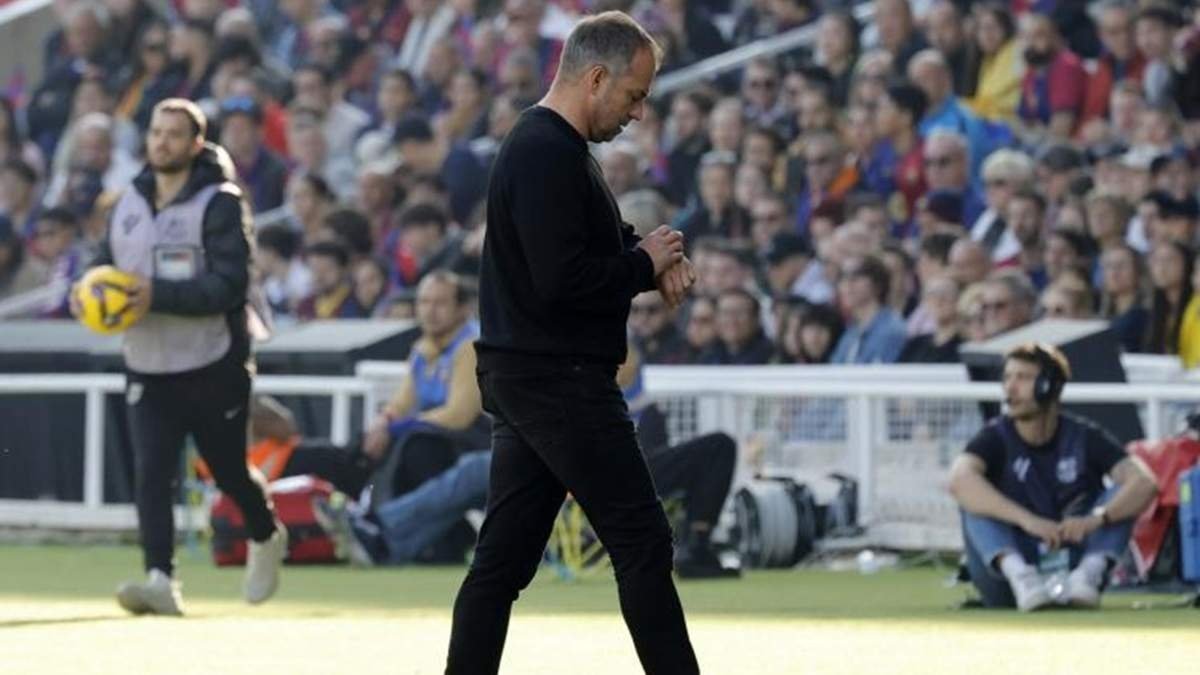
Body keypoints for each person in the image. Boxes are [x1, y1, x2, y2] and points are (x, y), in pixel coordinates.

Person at [445, 13, 699, 674]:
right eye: (633, 95)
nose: (638, 113)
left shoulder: (551, 147)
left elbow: (589, 241)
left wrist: (653, 255)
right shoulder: (545, 151)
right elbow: (562, 280)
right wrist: (643, 265)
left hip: (529, 377)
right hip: (561, 380)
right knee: (642, 542)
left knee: (500, 565)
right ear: (595, 78)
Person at [74, 99, 285, 616]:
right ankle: (160, 579)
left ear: (195, 144)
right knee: (152, 472)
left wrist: (155, 296)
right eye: (155, 132)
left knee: (229, 473)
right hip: (147, 362)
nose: (161, 142)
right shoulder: (127, 201)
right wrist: (90, 294)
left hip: (213, 362)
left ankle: (266, 533)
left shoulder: (220, 203)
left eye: (173, 134)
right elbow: (106, 265)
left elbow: (229, 286)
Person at [948, 343, 1158, 610]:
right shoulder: (995, 437)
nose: (1010, 388)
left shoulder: (1084, 436)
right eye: (1007, 378)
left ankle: (1090, 572)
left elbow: (1145, 482)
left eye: (1023, 378)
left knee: (1124, 494)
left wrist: (1096, 519)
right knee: (974, 497)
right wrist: (1028, 521)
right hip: (1008, 572)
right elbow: (959, 480)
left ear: (1049, 386)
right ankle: (1020, 575)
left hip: (1072, 558)